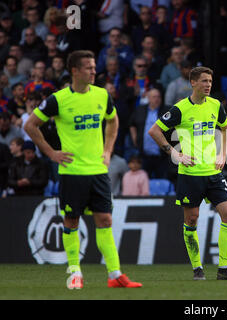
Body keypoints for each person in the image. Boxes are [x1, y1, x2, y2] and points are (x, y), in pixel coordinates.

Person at [24, 50, 142, 289]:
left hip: (97, 171)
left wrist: (108, 151)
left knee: (105, 219)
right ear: (75, 71)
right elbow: (30, 125)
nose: (93, 71)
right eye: (88, 67)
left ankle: (115, 275)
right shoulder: (58, 99)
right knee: (71, 221)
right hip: (72, 172)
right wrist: (51, 153)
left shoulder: (101, 95)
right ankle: (75, 272)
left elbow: (113, 120)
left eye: (93, 66)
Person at [149, 66, 227, 280]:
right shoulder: (180, 109)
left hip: (213, 172)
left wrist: (223, 154)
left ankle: (224, 269)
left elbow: (226, 128)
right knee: (192, 220)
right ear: (193, 83)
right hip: (190, 175)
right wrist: (174, 153)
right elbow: (154, 131)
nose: (208, 85)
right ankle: (197, 268)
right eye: (203, 81)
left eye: (210, 81)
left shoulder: (215, 105)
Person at [129, 88, 169, 179]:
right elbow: (132, 124)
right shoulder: (140, 109)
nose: (157, 99)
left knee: (161, 183)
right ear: (148, 98)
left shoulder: (166, 110)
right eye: (154, 97)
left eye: (159, 97)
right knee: (143, 181)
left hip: (162, 156)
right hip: (144, 155)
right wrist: (135, 138)